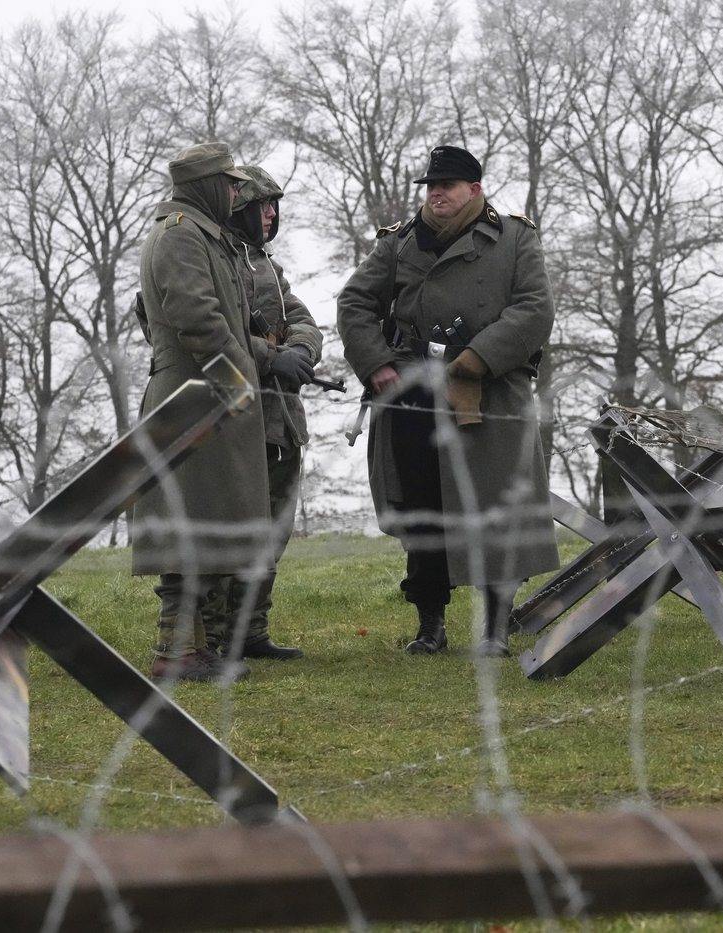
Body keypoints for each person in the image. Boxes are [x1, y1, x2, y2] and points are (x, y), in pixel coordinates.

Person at [336, 144, 560, 657]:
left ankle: (496, 629)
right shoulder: (398, 244)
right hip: (411, 393)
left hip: (488, 392)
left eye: (448, 186)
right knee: (422, 506)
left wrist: (478, 358)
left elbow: (534, 308)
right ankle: (430, 625)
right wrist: (377, 365)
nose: (436, 194)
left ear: (475, 190)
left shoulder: (514, 238)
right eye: (431, 186)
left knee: (496, 510)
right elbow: (355, 303)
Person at [131, 141, 270, 684]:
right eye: (231, 184)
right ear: (209, 186)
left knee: (209, 527)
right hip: (192, 398)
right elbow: (199, 320)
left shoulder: (201, 233)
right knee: (187, 530)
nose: (239, 192)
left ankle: (193, 649)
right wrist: (241, 382)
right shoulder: (180, 235)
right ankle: (177, 654)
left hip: (208, 394)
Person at [211, 164, 323, 661]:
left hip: (280, 415)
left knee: (273, 529)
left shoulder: (265, 264)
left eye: (276, 206)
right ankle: (213, 636)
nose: (272, 215)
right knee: (232, 528)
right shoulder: (209, 255)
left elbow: (300, 316)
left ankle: (250, 631)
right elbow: (206, 326)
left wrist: (301, 349)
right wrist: (268, 354)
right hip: (233, 413)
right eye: (263, 206)